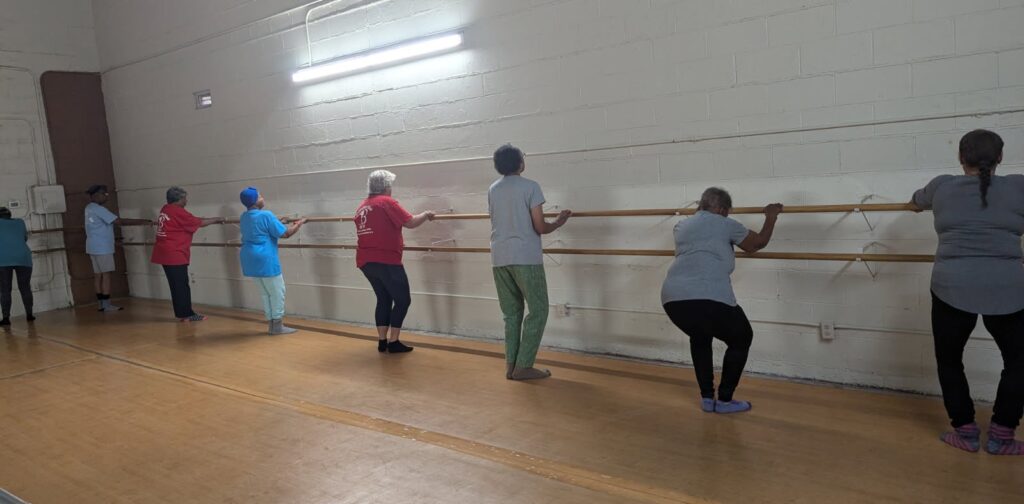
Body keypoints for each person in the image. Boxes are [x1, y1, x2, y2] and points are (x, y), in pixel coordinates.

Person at [910, 129, 1024, 456]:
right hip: (1009, 288)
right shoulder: (1019, 186)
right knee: (1019, 361)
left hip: (951, 286)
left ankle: (966, 432)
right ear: (1000, 158)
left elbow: (916, 201)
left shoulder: (942, 186)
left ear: (961, 157)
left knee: (949, 361)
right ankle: (1002, 435)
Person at [661, 187, 782, 414]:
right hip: (707, 295)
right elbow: (756, 244)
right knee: (742, 337)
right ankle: (725, 400)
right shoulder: (725, 223)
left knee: (700, 336)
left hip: (673, 298)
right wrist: (771, 215)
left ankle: (708, 398)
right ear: (722, 209)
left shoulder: (681, 226)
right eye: (726, 212)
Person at [488, 144, 571, 380]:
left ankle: (511, 365)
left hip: (499, 257)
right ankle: (524, 366)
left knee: (511, 313)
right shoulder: (530, 187)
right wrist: (559, 222)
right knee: (539, 309)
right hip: (525, 257)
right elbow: (540, 227)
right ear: (520, 164)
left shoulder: (493, 189)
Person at [355, 170, 435, 353]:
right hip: (386, 260)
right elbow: (410, 222)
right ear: (385, 187)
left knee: (383, 298)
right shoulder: (386, 202)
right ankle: (393, 342)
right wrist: (426, 214)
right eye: (390, 185)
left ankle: (382, 341)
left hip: (366, 261)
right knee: (403, 300)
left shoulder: (362, 205)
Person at [238, 187, 307, 335]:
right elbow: (286, 233)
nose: (263, 198)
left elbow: (263, 227)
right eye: (260, 196)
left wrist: (278, 221)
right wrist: (299, 223)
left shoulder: (244, 216)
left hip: (249, 258)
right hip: (265, 259)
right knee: (277, 292)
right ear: (255, 201)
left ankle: (272, 324)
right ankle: (277, 326)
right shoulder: (266, 215)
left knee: (265, 293)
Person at [150, 186, 224, 322]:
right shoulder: (178, 211)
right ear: (179, 199)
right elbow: (199, 223)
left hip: (164, 252)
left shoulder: (166, 209)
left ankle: (182, 313)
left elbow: (191, 219)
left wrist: (206, 218)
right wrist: (217, 219)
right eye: (185, 198)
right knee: (181, 284)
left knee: (176, 284)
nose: (186, 201)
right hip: (174, 253)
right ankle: (187, 314)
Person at [84, 184, 149, 312]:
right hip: (103, 248)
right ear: (96, 195)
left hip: (92, 246)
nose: (106, 196)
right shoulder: (99, 209)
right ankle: (107, 305)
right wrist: (142, 221)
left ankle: (101, 304)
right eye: (104, 194)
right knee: (106, 275)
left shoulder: (88, 208)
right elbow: (118, 221)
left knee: (98, 276)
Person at [0, 207, 33, 326]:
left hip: (3, 260)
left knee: (5, 290)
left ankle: (5, 318)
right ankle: (29, 315)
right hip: (23, 257)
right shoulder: (20, 222)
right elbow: (24, 238)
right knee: (25, 287)